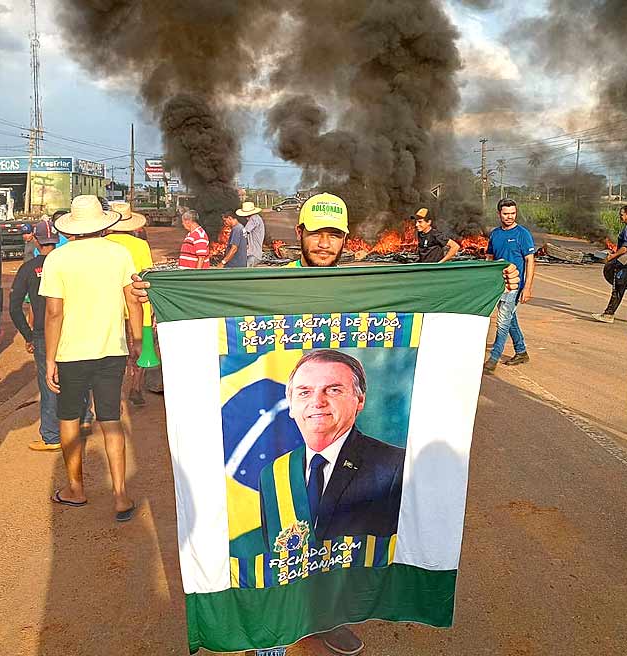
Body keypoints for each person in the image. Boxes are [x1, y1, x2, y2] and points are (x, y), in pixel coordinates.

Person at [130, 192, 519, 655]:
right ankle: (276, 622)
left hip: (347, 501)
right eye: (316, 232)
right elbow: (209, 304)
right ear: (300, 234)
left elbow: (435, 300)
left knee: (340, 551)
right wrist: (156, 293)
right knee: (284, 542)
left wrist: (496, 280)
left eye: (334, 233)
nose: (324, 242)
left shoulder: (367, 290)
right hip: (290, 453)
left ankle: (331, 617)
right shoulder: (268, 290)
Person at [40, 195, 143, 522]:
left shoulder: (58, 258)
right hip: (111, 350)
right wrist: (137, 340)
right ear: (102, 223)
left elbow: (53, 312)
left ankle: (75, 488)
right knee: (111, 420)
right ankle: (121, 496)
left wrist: (50, 359)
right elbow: (133, 301)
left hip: (71, 353)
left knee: (69, 419)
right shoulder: (119, 254)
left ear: (71, 226)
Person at [259, 350, 404, 548]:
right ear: (291, 405)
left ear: (359, 401)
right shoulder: (272, 476)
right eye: (304, 392)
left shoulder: (396, 466)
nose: (317, 402)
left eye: (333, 390)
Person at [10, 221, 94, 451]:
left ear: (36, 240)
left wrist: (28, 335)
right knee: (79, 373)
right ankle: (85, 418)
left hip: (43, 334)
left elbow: (14, 307)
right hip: (72, 328)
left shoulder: (29, 268)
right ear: (57, 240)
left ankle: (51, 434)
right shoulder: (70, 264)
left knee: (49, 383)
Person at [104, 202, 155, 407]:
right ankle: (135, 386)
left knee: (114, 350)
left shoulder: (103, 243)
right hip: (137, 305)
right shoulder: (140, 246)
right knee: (140, 348)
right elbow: (148, 278)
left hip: (110, 307)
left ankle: (113, 391)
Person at [483, 198, 536, 374]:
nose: (510, 217)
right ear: (499, 214)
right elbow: (489, 258)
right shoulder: (495, 234)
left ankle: (494, 358)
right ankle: (521, 351)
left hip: (514, 285)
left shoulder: (523, 234)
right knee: (510, 317)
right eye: (506, 214)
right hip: (498, 284)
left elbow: (530, 261)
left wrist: (527, 287)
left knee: (503, 321)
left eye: (513, 213)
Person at [593, 205, 627, 323]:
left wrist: (613, 256)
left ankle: (608, 314)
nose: (620, 217)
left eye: (622, 215)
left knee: (618, 287)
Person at [237, 200, 265, 267]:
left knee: (246, 273)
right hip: (255, 254)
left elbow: (244, 232)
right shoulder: (257, 218)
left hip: (253, 255)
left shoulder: (253, 219)